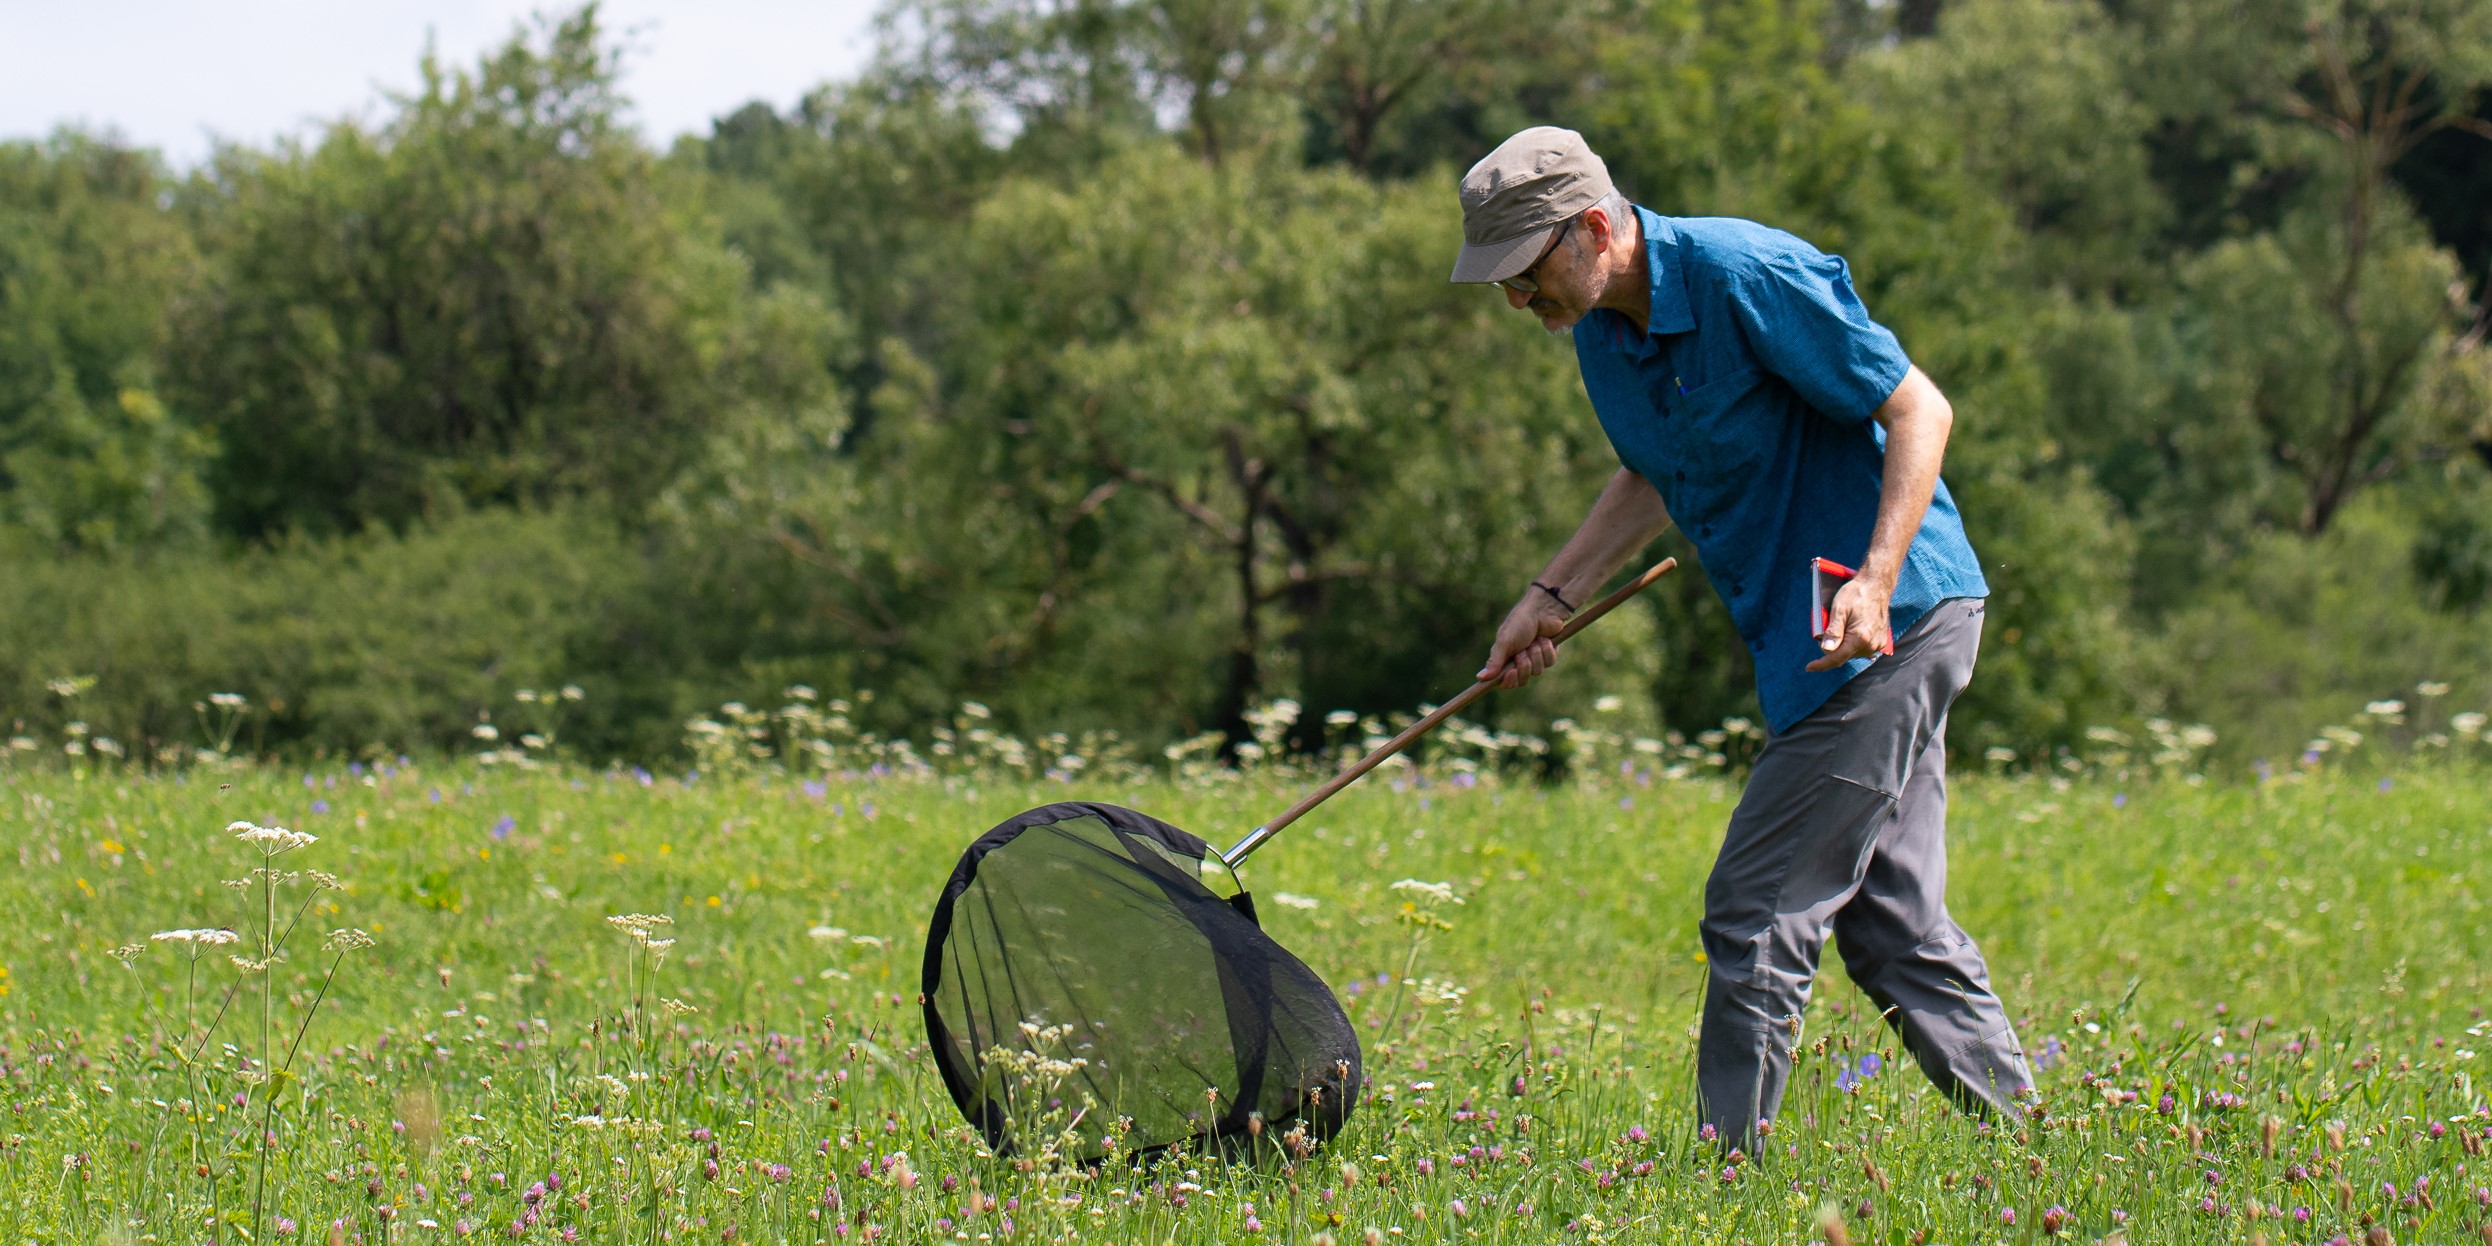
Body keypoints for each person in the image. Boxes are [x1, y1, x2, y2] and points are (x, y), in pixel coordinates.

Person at [1454, 126, 2032, 1148]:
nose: (1515, 302)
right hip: (1811, 645)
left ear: (1592, 228)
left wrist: (1874, 577)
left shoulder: (1744, 272)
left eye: (1523, 272)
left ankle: (1725, 1181)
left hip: (1885, 625)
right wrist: (1551, 591)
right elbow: (1651, 471)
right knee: (1890, 925)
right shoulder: (1600, 331)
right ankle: (2036, 1148)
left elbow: (1916, 409)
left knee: (1754, 908)